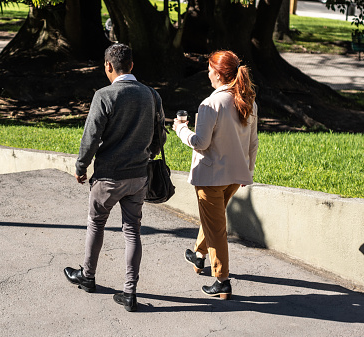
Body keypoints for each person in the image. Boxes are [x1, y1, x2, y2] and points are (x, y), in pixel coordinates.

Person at [64, 43, 166, 312]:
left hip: (108, 177)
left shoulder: (104, 95)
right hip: (138, 176)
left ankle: (88, 276)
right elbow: (160, 136)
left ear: (108, 66)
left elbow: (91, 137)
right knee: (132, 231)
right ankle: (130, 292)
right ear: (132, 65)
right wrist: (146, 153)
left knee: (96, 223)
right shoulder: (152, 95)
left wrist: (81, 166)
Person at [172, 50, 259, 300]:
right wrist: (248, 171)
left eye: (210, 70)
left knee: (216, 228)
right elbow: (253, 142)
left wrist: (181, 130)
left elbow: (201, 142)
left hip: (210, 177)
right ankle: (199, 255)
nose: (208, 74)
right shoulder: (249, 99)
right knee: (213, 220)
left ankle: (221, 280)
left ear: (219, 74)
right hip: (235, 175)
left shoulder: (210, 104)